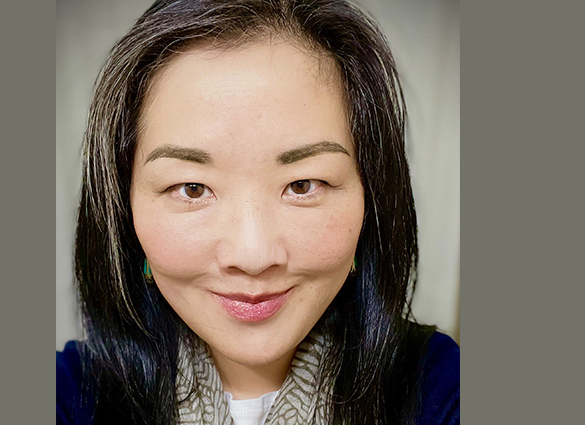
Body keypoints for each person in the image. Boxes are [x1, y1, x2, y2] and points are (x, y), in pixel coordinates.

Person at [56, 0, 459, 424]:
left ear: (371, 199)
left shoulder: (440, 388)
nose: (253, 255)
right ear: (124, 211)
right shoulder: (72, 394)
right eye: (192, 189)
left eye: (302, 186)